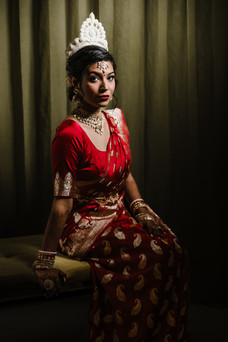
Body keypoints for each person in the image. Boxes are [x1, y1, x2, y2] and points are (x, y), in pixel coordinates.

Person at [33, 13, 189, 342]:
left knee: (174, 248)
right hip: (85, 225)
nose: (105, 87)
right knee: (155, 256)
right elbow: (62, 205)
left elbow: (126, 174)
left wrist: (142, 211)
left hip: (119, 214)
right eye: (93, 78)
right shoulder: (69, 135)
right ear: (74, 83)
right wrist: (45, 261)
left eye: (110, 77)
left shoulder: (116, 120)